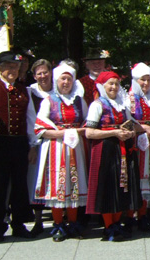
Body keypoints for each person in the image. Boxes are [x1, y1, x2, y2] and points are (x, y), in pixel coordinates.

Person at [84, 71, 144, 241]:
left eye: (116, 84)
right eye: (110, 84)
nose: (114, 87)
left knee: (121, 186)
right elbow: (89, 132)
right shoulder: (97, 105)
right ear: (102, 86)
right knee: (107, 186)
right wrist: (114, 132)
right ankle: (108, 225)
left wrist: (129, 132)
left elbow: (131, 125)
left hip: (122, 148)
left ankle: (117, 223)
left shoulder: (122, 105)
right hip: (105, 150)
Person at [33, 64, 89, 241]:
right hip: (56, 148)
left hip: (76, 148)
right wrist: (63, 133)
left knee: (74, 184)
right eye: (62, 79)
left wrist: (76, 132)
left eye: (69, 79)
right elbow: (40, 128)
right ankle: (58, 224)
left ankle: (73, 223)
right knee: (58, 185)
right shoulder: (49, 101)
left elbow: (88, 122)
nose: (66, 82)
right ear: (56, 81)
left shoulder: (79, 101)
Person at [0, 51, 35, 242]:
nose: (12, 70)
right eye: (8, 67)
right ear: (0, 69)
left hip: (20, 142)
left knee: (19, 185)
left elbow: (30, 120)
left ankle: (19, 224)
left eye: (15, 67)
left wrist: (32, 144)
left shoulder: (25, 90)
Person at [126, 63, 150, 233]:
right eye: (143, 80)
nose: (147, 83)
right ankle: (129, 216)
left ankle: (143, 215)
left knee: (148, 178)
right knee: (135, 178)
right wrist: (144, 128)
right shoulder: (129, 98)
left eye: (149, 80)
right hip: (135, 143)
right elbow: (127, 121)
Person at [26, 59, 53, 237]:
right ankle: (38, 221)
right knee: (36, 180)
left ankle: (62, 219)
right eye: (39, 73)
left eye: (45, 72)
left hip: (57, 140)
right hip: (38, 141)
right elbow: (30, 120)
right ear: (34, 76)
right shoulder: (30, 92)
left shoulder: (59, 91)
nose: (43, 76)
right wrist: (33, 144)